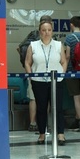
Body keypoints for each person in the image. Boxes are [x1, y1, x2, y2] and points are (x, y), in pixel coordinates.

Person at [25, 17, 67, 145]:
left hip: (56, 81)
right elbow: (28, 62)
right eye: (44, 30)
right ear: (39, 31)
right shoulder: (33, 46)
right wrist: (31, 76)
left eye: (49, 30)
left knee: (58, 108)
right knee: (41, 108)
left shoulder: (59, 45)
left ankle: (60, 134)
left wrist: (62, 75)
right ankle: (42, 134)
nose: (46, 32)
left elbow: (64, 61)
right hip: (39, 81)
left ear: (52, 31)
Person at [63, 16, 80, 132]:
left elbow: (68, 56)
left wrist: (64, 70)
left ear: (71, 25)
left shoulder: (69, 38)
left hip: (72, 70)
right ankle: (78, 119)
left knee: (76, 96)